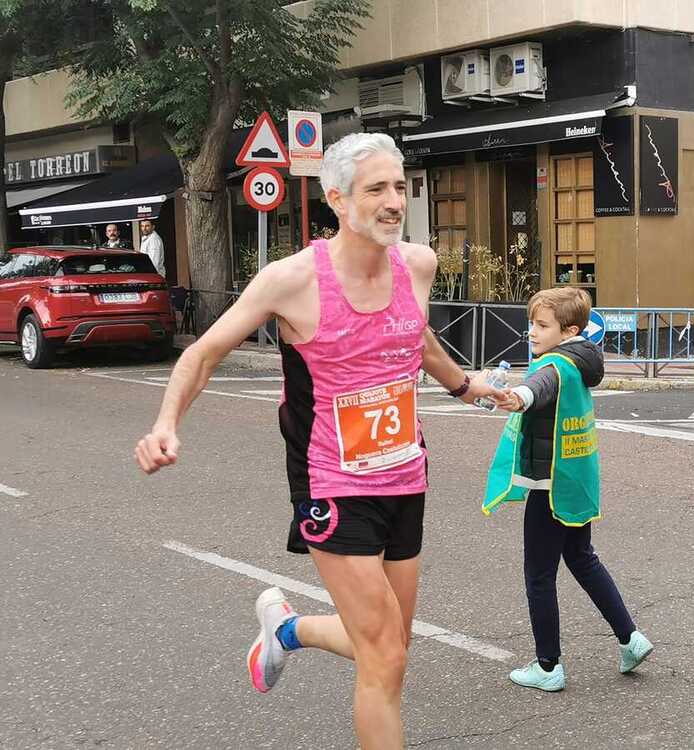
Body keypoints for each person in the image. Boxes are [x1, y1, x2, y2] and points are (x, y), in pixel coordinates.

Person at [133, 132, 502, 749]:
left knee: (390, 643)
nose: (393, 201)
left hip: (405, 474)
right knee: (384, 658)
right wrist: (165, 424)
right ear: (336, 198)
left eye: (399, 186)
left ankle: (286, 630)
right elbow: (204, 352)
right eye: (376, 188)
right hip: (332, 480)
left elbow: (414, 336)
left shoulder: (418, 263)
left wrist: (467, 387)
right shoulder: (292, 280)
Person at [485, 287, 653, 692]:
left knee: (539, 574)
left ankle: (548, 667)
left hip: (550, 486)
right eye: (531, 323)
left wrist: (516, 397)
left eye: (542, 325)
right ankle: (631, 639)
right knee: (581, 557)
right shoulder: (582, 358)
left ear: (569, 329)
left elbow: (538, 387)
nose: (532, 332)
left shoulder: (556, 365)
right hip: (576, 480)